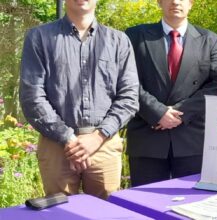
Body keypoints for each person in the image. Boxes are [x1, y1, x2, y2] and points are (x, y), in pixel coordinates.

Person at [19, 0, 139, 199]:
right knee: (59, 212)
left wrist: (98, 137)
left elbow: (129, 96)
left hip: (104, 144)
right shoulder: (39, 37)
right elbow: (32, 96)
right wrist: (68, 138)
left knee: (106, 212)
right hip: (56, 145)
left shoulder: (118, 41)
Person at [125, 0, 217, 186]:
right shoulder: (134, 36)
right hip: (147, 137)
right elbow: (126, 80)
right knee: (146, 205)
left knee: (192, 204)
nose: (175, 2)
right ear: (159, 3)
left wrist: (180, 113)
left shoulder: (210, 40)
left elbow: (216, 84)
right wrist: (157, 112)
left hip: (192, 139)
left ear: (191, 4)